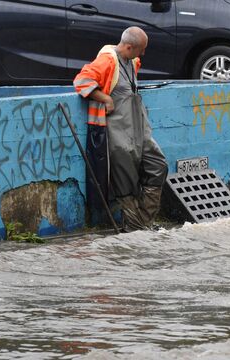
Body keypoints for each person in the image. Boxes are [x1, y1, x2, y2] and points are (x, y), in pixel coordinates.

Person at [74, 26, 168, 232]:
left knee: (158, 165)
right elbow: (81, 81)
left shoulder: (132, 61)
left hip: (139, 129)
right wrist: (105, 98)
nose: (143, 54)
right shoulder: (108, 61)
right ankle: (136, 231)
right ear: (128, 46)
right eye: (140, 49)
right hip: (118, 134)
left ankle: (143, 222)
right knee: (126, 184)